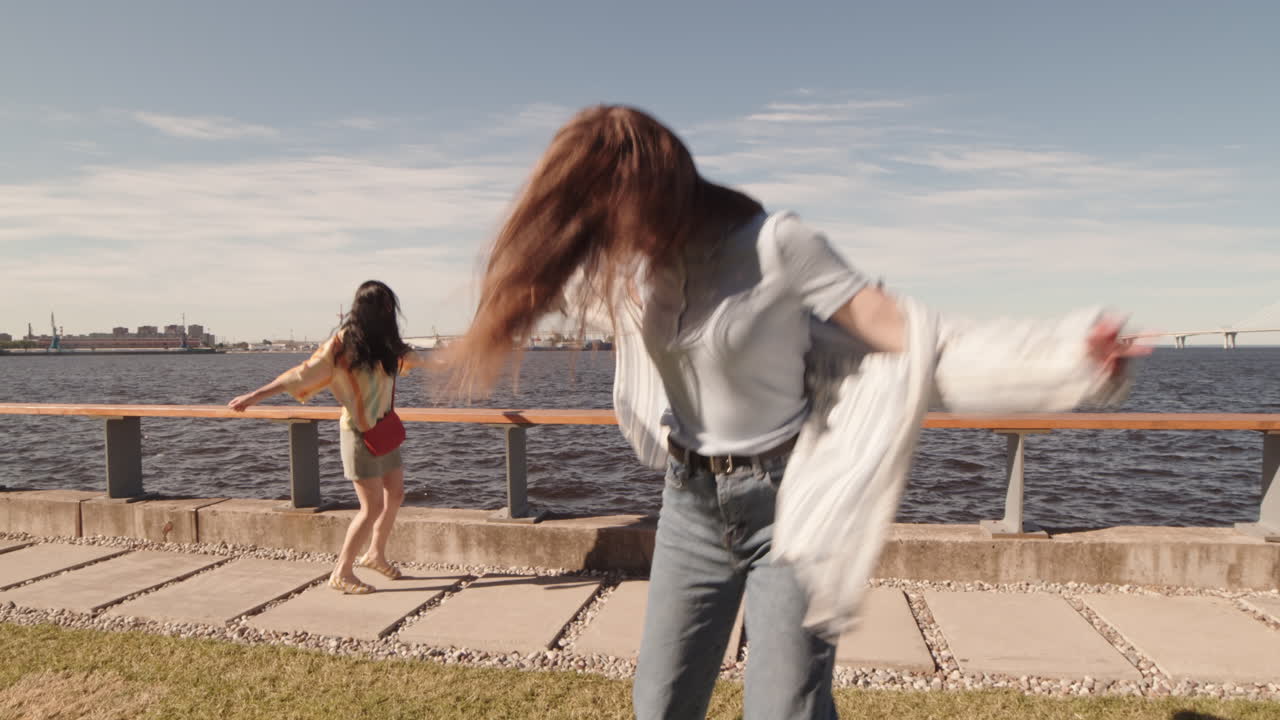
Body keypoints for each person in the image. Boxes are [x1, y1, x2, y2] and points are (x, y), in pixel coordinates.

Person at [445, 106, 1144, 720]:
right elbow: (567, 289)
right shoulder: (642, 272)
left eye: (609, 214)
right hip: (690, 503)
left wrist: (1067, 354)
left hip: (787, 506)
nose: (605, 235)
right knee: (659, 704)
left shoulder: (776, 244)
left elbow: (909, 333)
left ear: (656, 189)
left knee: (786, 709)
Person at [229, 280, 433, 595]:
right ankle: (342, 572)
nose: (389, 311)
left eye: (390, 305)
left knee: (396, 493)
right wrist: (254, 395)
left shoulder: (387, 344)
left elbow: (424, 359)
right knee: (372, 507)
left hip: (385, 429)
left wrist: (473, 355)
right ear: (367, 310)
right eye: (383, 306)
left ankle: (375, 554)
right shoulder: (341, 346)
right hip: (359, 434)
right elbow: (300, 374)